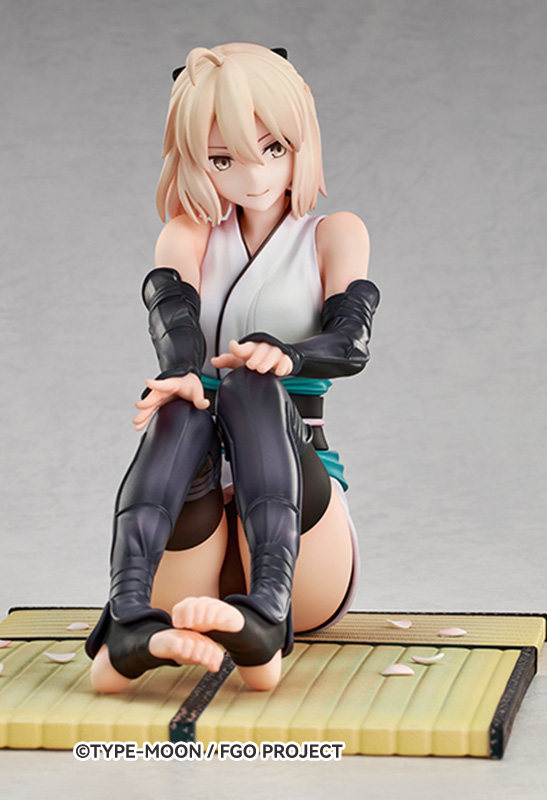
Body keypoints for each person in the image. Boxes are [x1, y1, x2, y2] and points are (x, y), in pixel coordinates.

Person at [85, 43, 379, 692]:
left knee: (249, 384)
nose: (254, 176)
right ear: (195, 161)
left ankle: (267, 616)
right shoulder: (188, 234)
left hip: (302, 530)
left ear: (301, 140)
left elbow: (351, 342)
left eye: (273, 148)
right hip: (195, 510)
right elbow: (174, 314)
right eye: (223, 159)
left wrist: (289, 354)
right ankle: (128, 620)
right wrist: (181, 370)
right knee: (182, 403)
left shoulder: (333, 234)